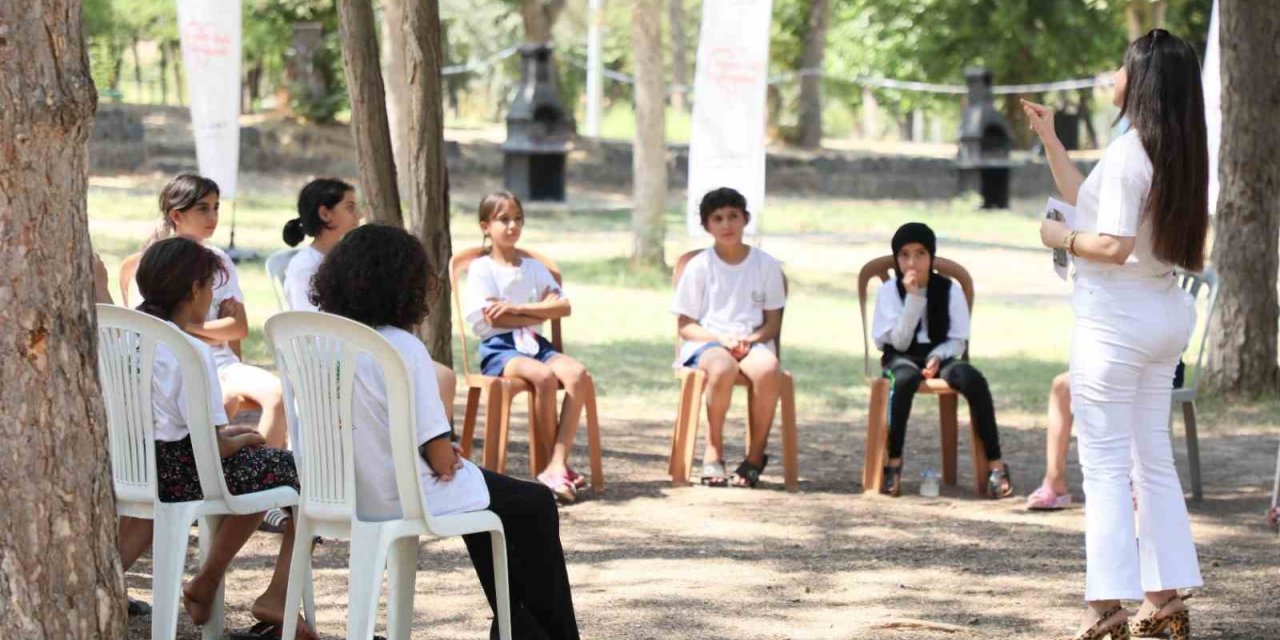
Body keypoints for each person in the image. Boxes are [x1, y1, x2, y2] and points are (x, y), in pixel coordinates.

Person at [1024, 28, 1207, 640]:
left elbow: (1110, 242)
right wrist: (1052, 140)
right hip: (1160, 316)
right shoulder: (1172, 150)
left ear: (1141, 81)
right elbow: (1092, 201)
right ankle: (1166, 600)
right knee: (1150, 461)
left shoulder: (1132, 154)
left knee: (1103, 467)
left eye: (1123, 68)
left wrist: (1061, 239)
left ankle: (1106, 609)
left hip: (1118, 322)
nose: (1114, 77)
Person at [312, 223, 580, 640]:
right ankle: (540, 633)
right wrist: (447, 454)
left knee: (497, 503)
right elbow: (439, 457)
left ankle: (520, 627)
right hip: (401, 494)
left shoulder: (317, 341)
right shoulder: (400, 347)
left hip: (335, 490)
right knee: (533, 503)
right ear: (404, 287)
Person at [120, 237, 316, 639]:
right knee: (300, 473)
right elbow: (211, 448)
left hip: (134, 465)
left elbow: (178, 425)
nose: (211, 296)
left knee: (260, 469)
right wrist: (241, 440)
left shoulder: (121, 338)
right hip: (183, 473)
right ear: (195, 289)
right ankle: (269, 593)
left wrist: (232, 436)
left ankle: (206, 581)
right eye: (210, 286)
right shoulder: (190, 349)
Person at [280, 178, 457, 426]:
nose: (359, 214)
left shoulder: (353, 260)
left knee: (443, 377)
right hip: (334, 360)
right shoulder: (304, 268)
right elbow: (313, 328)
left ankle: (429, 442)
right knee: (438, 377)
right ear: (325, 214)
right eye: (350, 207)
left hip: (362, 348)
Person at [464, 191, 594, 502]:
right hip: (500, 348)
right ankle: (551, 465)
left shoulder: (533, 266)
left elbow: (562, 308)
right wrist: (537, 309)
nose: (512, 226)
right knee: (543, 376)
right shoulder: (482, 268)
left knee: (577, 374)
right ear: (485, 226)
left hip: (536, 343)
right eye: (503, 219)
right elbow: (490, 321)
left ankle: (556, 462)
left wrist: (514, 308)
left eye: (518, 219)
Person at [872, 222, 1012, 499]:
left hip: (942, 353)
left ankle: (995, 464)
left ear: (931, 256)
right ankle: (893, 461)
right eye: (905, 255)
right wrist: (912, 299)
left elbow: (959, 338)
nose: (913, 262)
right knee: (905, 379)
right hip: (900, 355)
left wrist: (937, 356)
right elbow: (898, 342)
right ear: (897, 259)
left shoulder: (949, 289)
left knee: (972, 379)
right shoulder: (889, 291)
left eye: (921, 253)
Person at [670, 187, 785, 489]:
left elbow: (773, 323)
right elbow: (686, 325)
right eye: (717, 218)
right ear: (707, 226)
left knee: (768, 368)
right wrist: (721, 339)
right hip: (708, 342)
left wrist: (752, 338)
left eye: (733, 216)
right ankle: (713, 450)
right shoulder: (699, 267)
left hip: (752, 341)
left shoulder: (766, 265)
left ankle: (755, 456)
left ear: (746, 219)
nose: (726, 225)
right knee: (722, 367)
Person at [1026, 363, 1186, 511]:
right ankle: (1055, 482)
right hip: (1111, 362)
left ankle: (1136, 482)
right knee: (1062, 385)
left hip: (1159, 367)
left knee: (1117, 385)